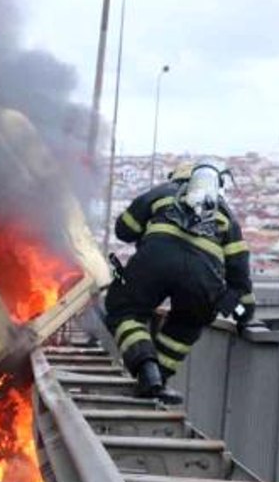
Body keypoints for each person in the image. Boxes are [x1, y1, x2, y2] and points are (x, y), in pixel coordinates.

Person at [105, 162, 254, 402]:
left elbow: (124, 230)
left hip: (154, 260)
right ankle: (158, 383)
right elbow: (239, 272)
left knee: (124, 310)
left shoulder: (162, 193)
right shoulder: (226, 216)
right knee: (187, 324)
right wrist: (244, 313)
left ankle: (147, 372)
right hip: (204, 278)